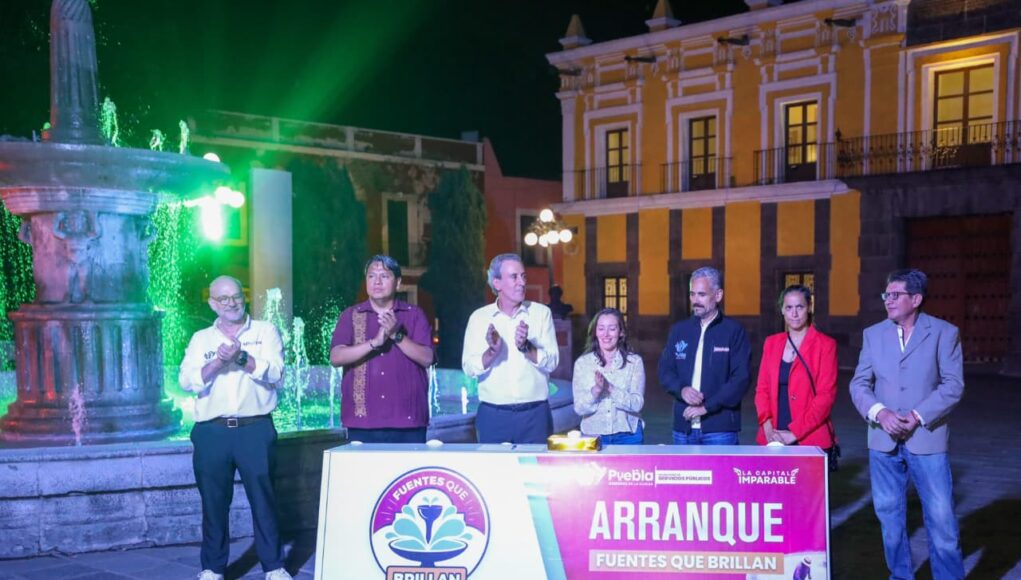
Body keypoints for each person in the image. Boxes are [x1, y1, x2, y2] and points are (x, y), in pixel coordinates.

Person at [849, 269, 965, 579]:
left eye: (895, 295)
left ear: (916, 299)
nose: (888, 300)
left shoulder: (944, 333)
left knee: (941, 522)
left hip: (927, 439)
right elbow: (859, 384)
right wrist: (880, 413)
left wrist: (916, 416)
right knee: (889, 521)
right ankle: (900, 575)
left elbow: (953, 385)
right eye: (886, 295)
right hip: (882, 441)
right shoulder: (873, 335)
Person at [179, 276, 292, 580]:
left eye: (236, 296)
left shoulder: (265, 331)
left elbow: (278, 374)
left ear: (244, 298)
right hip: (211, 432)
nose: (232, 303)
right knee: (214, 502)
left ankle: (274, 566)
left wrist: (241, 357)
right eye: (223, 299)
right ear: (212, 303)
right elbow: (187, 381)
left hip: (254, 428)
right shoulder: (201, 338)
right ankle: (213, 568)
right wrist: (218, 362)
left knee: (264, 499)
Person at [329, 255, 434, 443]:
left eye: (384, 276)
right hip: (362, 423)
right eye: (371, 276)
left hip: (408, 423)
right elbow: (336, 357)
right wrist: (373, 343)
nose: (377, 281)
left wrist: (397, 335)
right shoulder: (351, 315)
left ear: (398, 283)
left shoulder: (414, 315)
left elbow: (427, 358)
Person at [463, 253, 559, 443]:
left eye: (523, 276)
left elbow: (553, 362)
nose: (521, 282)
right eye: (514, 277)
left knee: (536, 472)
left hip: (535, 415)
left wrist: (526, 347)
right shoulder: (479, 318)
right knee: (494, 473)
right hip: (493, 416)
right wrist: (491, 352)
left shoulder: (541, 314)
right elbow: (469, 368)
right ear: (497, 283)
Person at [658, 266, 750, 445]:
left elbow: (741, 379)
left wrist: (706, 407)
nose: (695, 300)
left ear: (718, 295)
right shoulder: (679, 330)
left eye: (701, 294)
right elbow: (665, 371)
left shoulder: (734, 331)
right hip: (683, 428)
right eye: (692, 294)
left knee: (722, 474)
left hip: (720, 430)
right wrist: (682, 389)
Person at [754, 285, 838, 450]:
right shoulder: (771, 343)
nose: (794, 313)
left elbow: (826, 397)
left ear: (809, 308)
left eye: (799, 307)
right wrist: (766, 425)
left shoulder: (825, 345)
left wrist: (794, 433)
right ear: (782, 310)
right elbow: (762, 389)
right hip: (773, 435)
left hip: (809, 435)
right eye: (789, 307)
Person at [572, 308, 645, 444]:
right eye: (601, 329)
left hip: (628, 436)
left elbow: (637, 404)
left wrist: (610, 388)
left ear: (621, 332)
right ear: (595, 332)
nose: (606, 334)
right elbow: (579, 408)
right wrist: (596, 391)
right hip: (592, 436)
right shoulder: (583, 364)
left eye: (612, 328)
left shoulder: (634, 362)